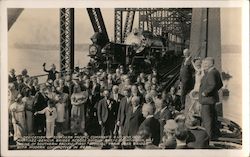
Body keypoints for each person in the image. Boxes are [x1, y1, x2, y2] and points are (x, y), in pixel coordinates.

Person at [198, 57, 223, 139]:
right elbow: (220, 84)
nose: (203, 65)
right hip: (211, 100)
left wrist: (205, 93)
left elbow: (212, 85)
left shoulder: (211, 73)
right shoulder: (215, 71)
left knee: (207, 120)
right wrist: (213, 93)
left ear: (210, 64)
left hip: (207, 101)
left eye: (205, 64)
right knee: (213, 118)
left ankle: (208, 138)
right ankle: (215, 135)